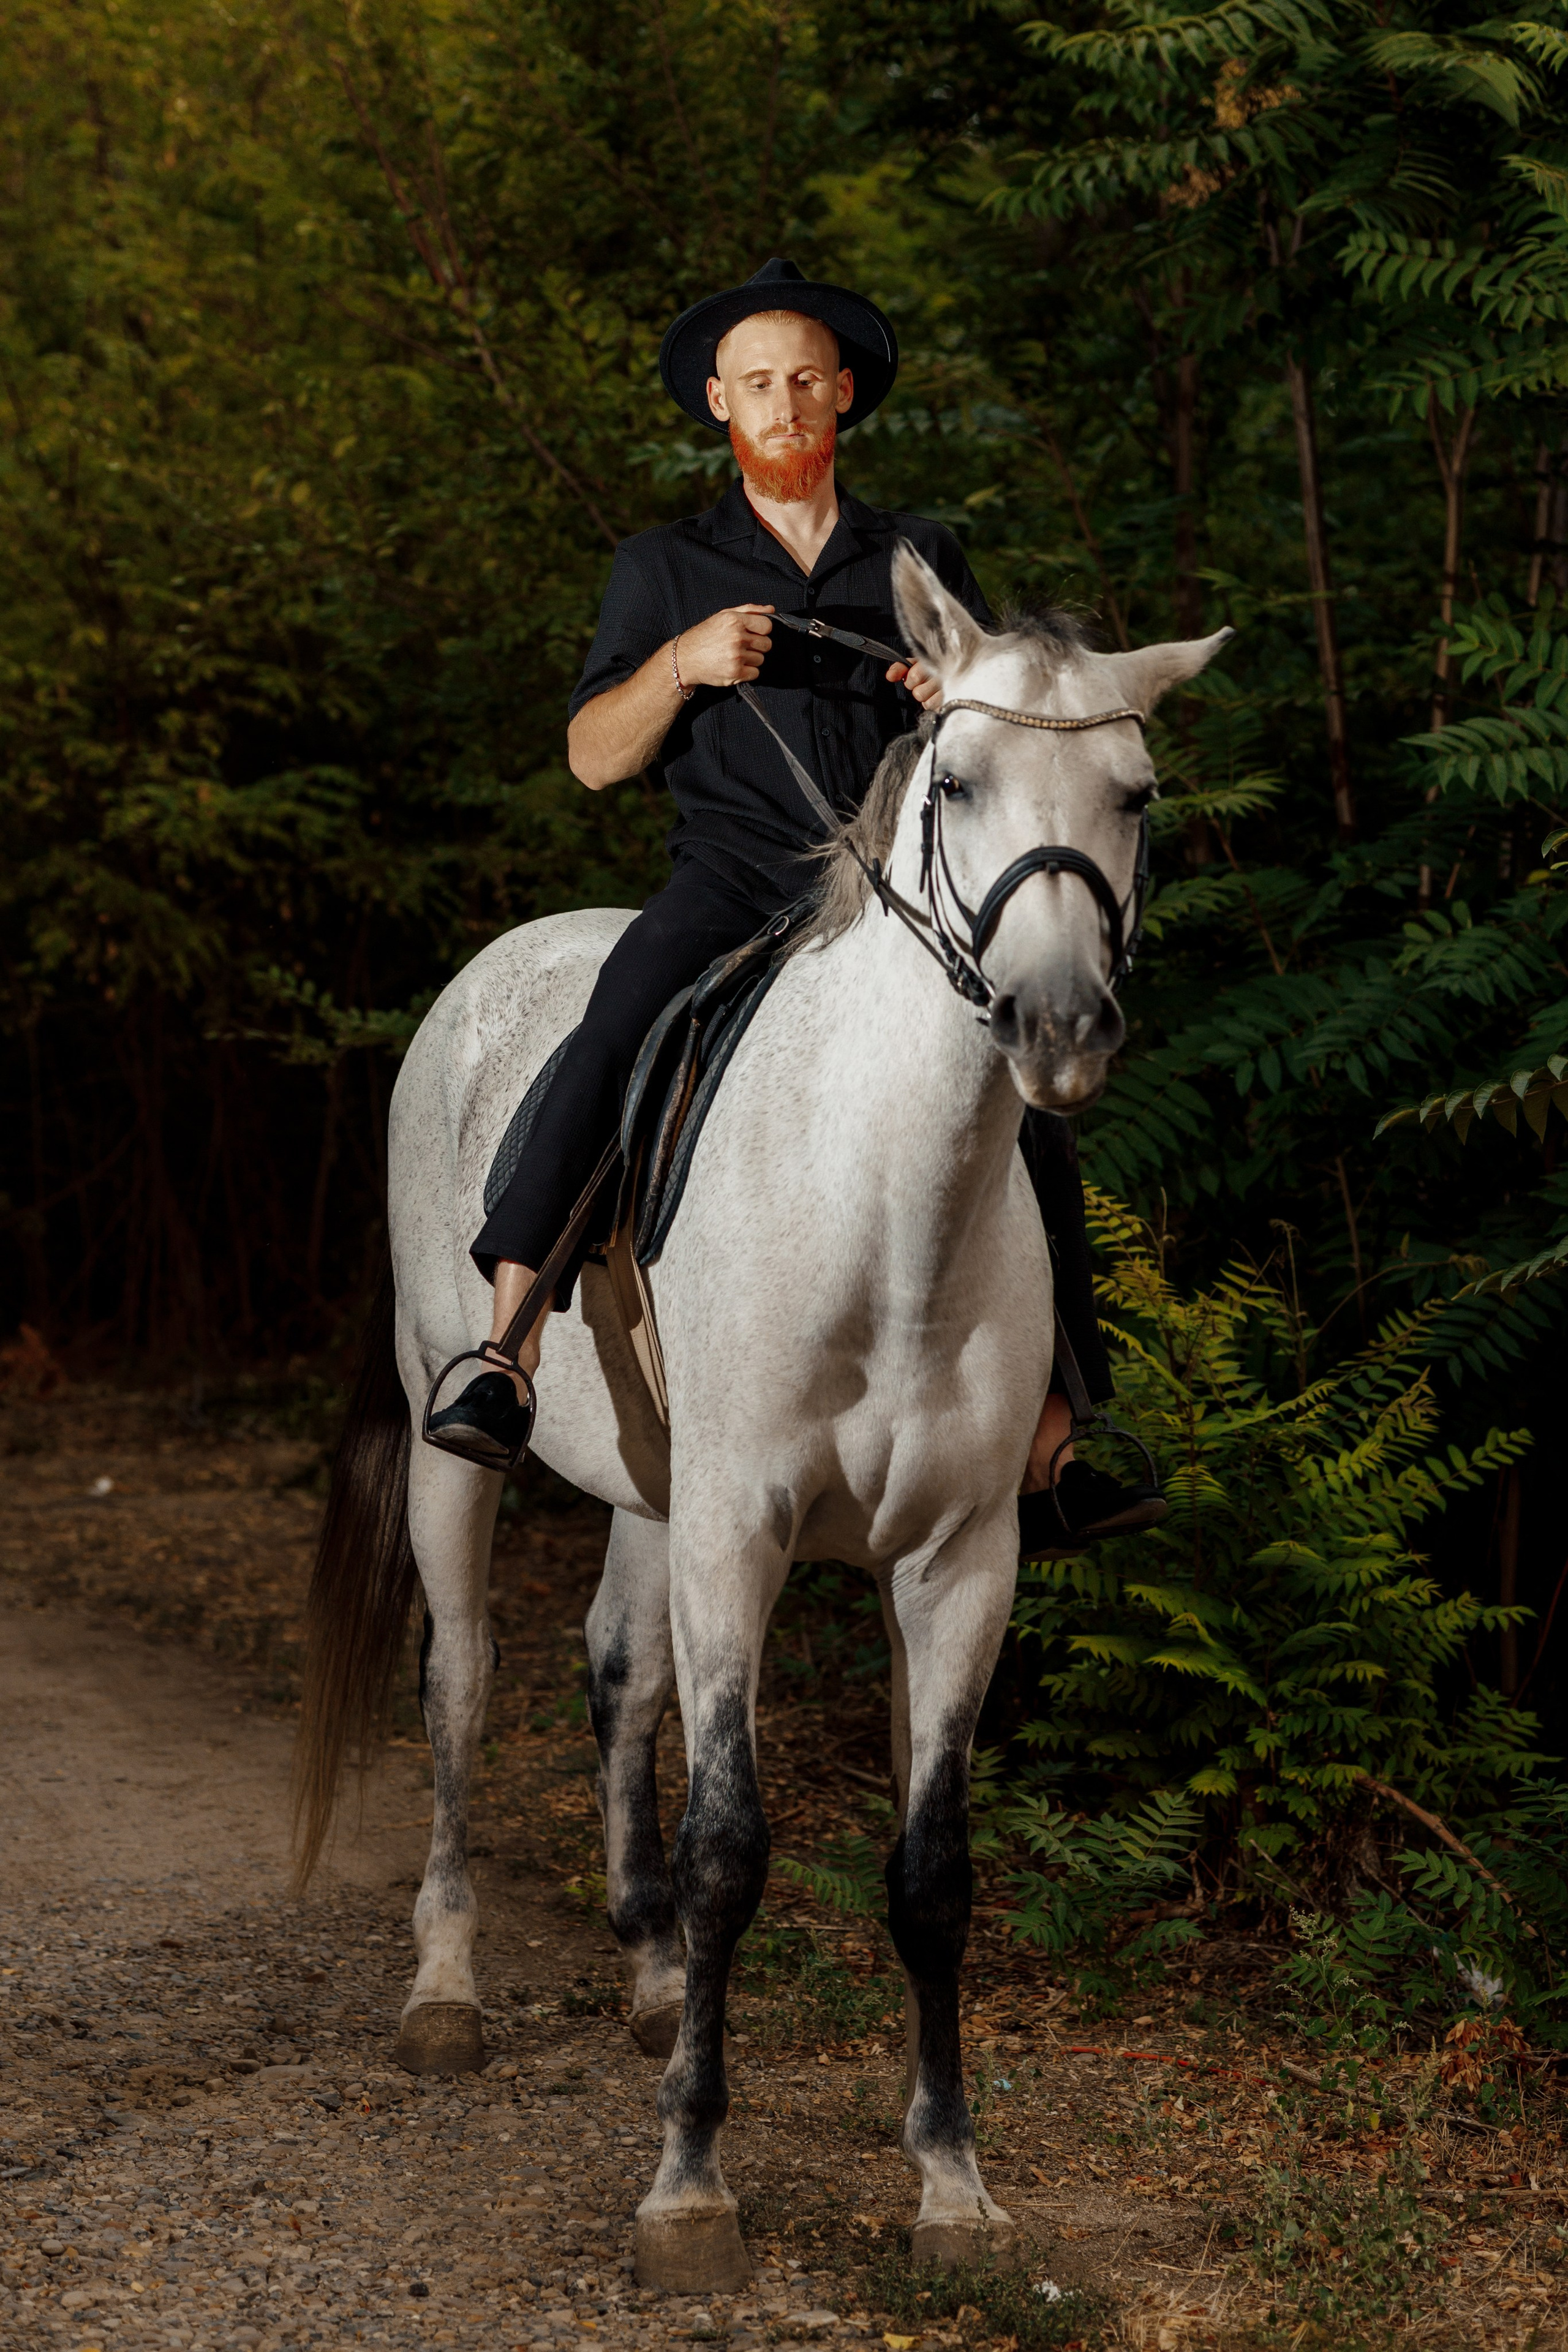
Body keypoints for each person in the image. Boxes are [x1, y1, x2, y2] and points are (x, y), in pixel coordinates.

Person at [429, 257, 1164, 1556]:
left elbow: (987, 732)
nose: (784, 402)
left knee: (1023, 1102)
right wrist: (683, 663)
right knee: (609, 1031)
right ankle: (503, 1348)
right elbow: (594, 756)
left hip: (890, 907)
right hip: (729, 882)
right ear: (719, 403)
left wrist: (955, 706)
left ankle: (1060, 1429)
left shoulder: (917, 556)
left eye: (806, 380)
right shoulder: (662, 565)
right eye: (757, 383)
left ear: (841, 399)